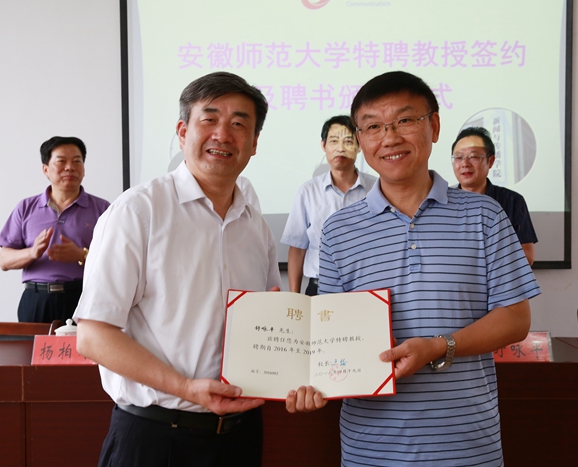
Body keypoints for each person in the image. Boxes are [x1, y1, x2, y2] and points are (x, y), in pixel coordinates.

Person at [73, 71, 324, 467]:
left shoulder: (256, 227)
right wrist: (186, 387)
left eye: (239, 124)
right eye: (209, 119)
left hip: (239, 436)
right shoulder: (138, 212)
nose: (223, 134)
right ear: (182, 131)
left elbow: (265, 331)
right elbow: (93, 336)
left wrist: (298, 372)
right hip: (156, 436)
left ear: (254, 143)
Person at [317, 71, 541, 465]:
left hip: (467, 447)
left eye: (405, 120)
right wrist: (305, 377)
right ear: (360, 140)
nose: (389, 138)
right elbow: (330, 337)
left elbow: (515, 320)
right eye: (373, 127)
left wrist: (439, 346)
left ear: (434, 126)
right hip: (371, 449)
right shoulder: (338, 230)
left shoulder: (485, 215)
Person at [0, 136, 110, 323]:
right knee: (31, 344)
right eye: (61, 161)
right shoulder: (26, 207)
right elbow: (4, 260)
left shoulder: (103, 209)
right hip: (36, 300)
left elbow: (116, 260)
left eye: (77, 161)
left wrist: (81, 255)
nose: (69, 168)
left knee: (83, 344)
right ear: (46, 169)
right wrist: (32, 253)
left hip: (83, 297)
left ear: (83, 169)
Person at [281, 115, 376, 295]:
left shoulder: (376, 189)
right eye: (333, 141)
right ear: (324, 146)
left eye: (348, 141)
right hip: (319, 288)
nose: (340, 148)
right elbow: (297, 248)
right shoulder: (308, 192)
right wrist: (294, 296)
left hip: (366, 288)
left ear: (359, 146)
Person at [451, 126, 538, 264]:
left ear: (490, 161)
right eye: (459, 157)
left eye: (473, 156)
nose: (465, 164)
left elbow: (527, 257)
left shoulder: (513, 201)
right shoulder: (443, 201)